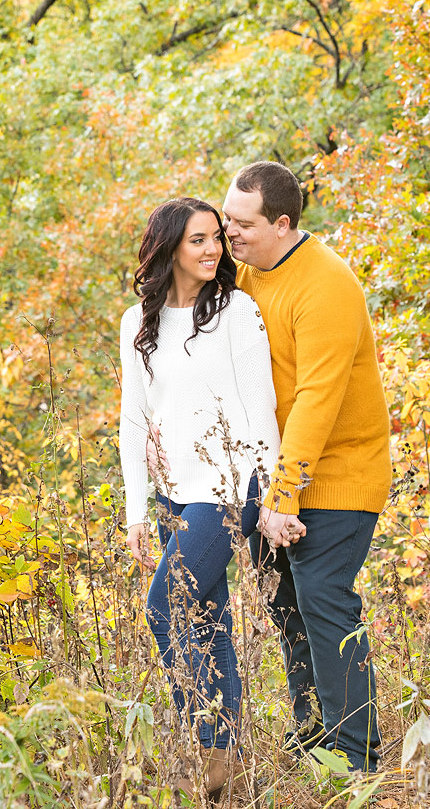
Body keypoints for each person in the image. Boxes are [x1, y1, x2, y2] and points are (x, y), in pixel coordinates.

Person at [224, 161, 392, 772]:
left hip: (340, 469)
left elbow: (317, 401)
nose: (230, 233)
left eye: (242, 224)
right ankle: (315, 731)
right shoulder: (244, 272)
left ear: (282, 223)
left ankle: (357, 757)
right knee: (285, 600)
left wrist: (283, 496)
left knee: (323, 595)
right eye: (226, 220)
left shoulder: (325, 286)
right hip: (276, 473)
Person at [119, 197, 280, 800]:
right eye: (198, 241)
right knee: (207, 621)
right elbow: (134, 421)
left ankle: (210, 742)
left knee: (167, 606)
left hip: (225, 490)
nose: (214, 249)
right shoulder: (138, 322)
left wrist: (265, 491)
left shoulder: (236, 311)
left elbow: (259, 408)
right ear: (169, 250)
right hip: (171, 496)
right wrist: (138, 510)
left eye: (217, 237)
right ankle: (223, 764)